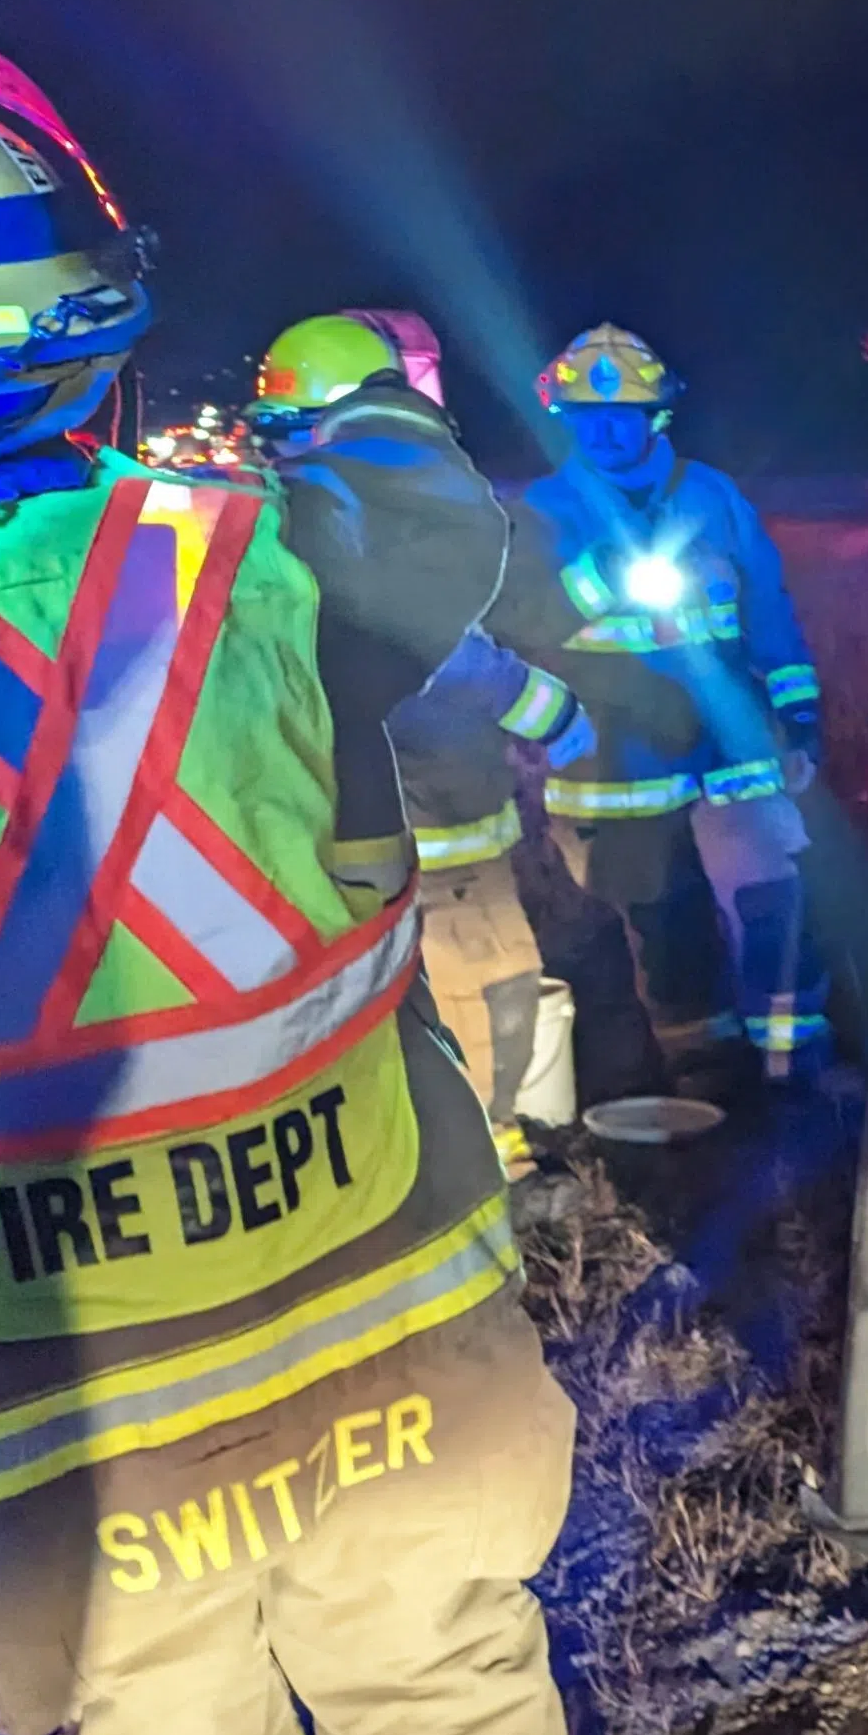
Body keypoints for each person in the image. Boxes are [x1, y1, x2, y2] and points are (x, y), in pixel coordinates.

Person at [0, 37, 716, 1735]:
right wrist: (300, 411)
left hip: (46, 1398)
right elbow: (427, 487)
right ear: (88, 303)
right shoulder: (269, 543)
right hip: (368, 1301)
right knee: (436, 1674)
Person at [252, 312, 592, 1196]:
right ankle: (495, 1156)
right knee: (488, 976)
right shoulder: (362, 508)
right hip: (432, 818)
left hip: (344, 823)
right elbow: (429, 643)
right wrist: (545, 706)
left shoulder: (278, 508)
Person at [515, 323, 832, 1084]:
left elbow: (769, 613)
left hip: (734, 746)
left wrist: (800, 717)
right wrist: (604, 572)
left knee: (774, 899)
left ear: (656, 415)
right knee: (665, 924)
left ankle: (799, 1067)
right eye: (589, 419)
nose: (607, 431)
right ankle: (706, 1072)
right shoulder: (546, 510)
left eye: (623, 414)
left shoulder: (712, 496)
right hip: (620, 757)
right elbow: (526, 624)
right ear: (566, 420)